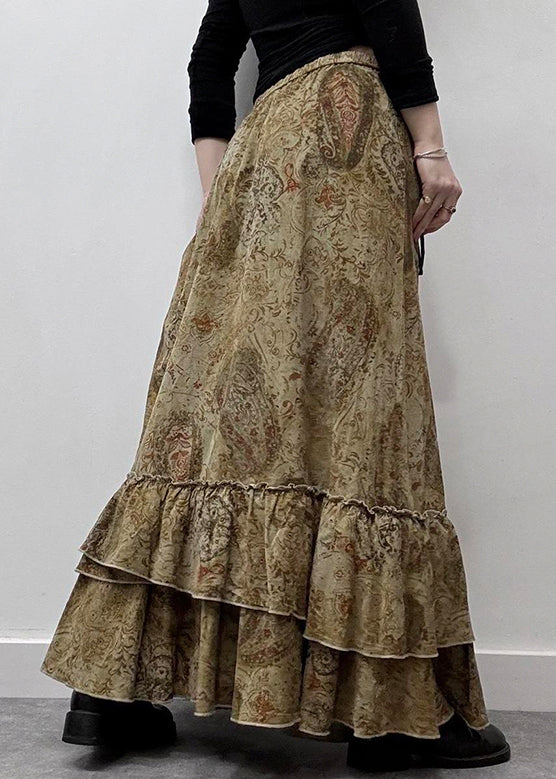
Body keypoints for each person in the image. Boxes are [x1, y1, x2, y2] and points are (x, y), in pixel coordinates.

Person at [41, 0, 511, 771]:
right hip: (342, 140)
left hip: (260, 155)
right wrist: (430, 148)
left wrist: (220, 192)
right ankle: (386, 716)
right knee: (361, 408)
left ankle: (112, 690)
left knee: (211, 401)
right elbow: (388, 12)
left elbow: (210, 63)